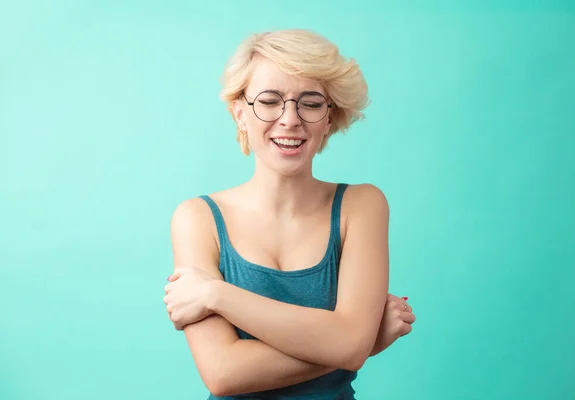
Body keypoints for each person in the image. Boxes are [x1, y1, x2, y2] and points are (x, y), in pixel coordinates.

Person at [163, 29, 416, 399]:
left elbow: (351, 345)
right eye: (269, 100)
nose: (290, 119)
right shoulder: (197, 218)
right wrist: (355, 344)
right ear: (240, 114)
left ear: (329, 118)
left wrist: (216, 294)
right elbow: (223, 374)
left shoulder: (361, 206)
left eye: (310, 103)